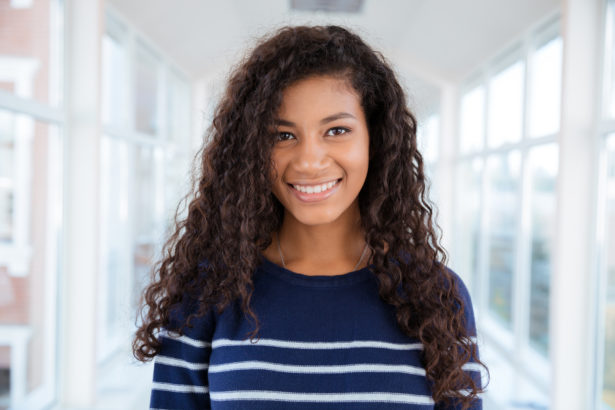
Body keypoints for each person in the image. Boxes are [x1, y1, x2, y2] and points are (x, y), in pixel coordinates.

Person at [133, 25, 487, 409]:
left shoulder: (436, 297)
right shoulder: (205, 294)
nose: (309, 161)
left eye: (337, 130)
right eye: (283, 136)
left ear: (376, 139)